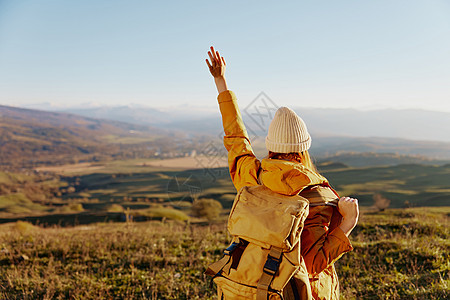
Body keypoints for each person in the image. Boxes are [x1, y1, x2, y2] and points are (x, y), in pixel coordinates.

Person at [206, 46, 359, 300]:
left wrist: (221, 81)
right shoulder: (316, 195)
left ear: (270, 147)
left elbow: (236, 140)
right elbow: (310, 264)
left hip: (250, 287)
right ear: (303, 149)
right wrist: (347, 223)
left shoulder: (252, 177)